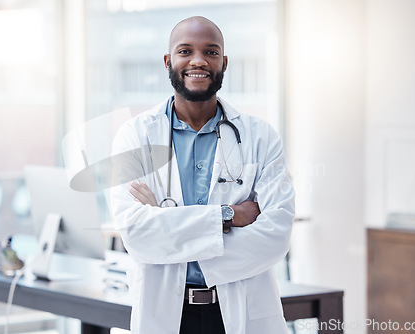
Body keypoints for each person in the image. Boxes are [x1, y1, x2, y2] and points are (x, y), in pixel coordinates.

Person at [110, 16, 295, 334]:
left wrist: (168, 221)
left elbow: (276, 235)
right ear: (168, 61)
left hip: (241, 312)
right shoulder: (135, 136)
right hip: (166, 314)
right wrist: (228, 216)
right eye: (185, 51)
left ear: (224, 62)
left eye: (210, 52)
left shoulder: (260, 137)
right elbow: (136, 235)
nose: (198, 61)